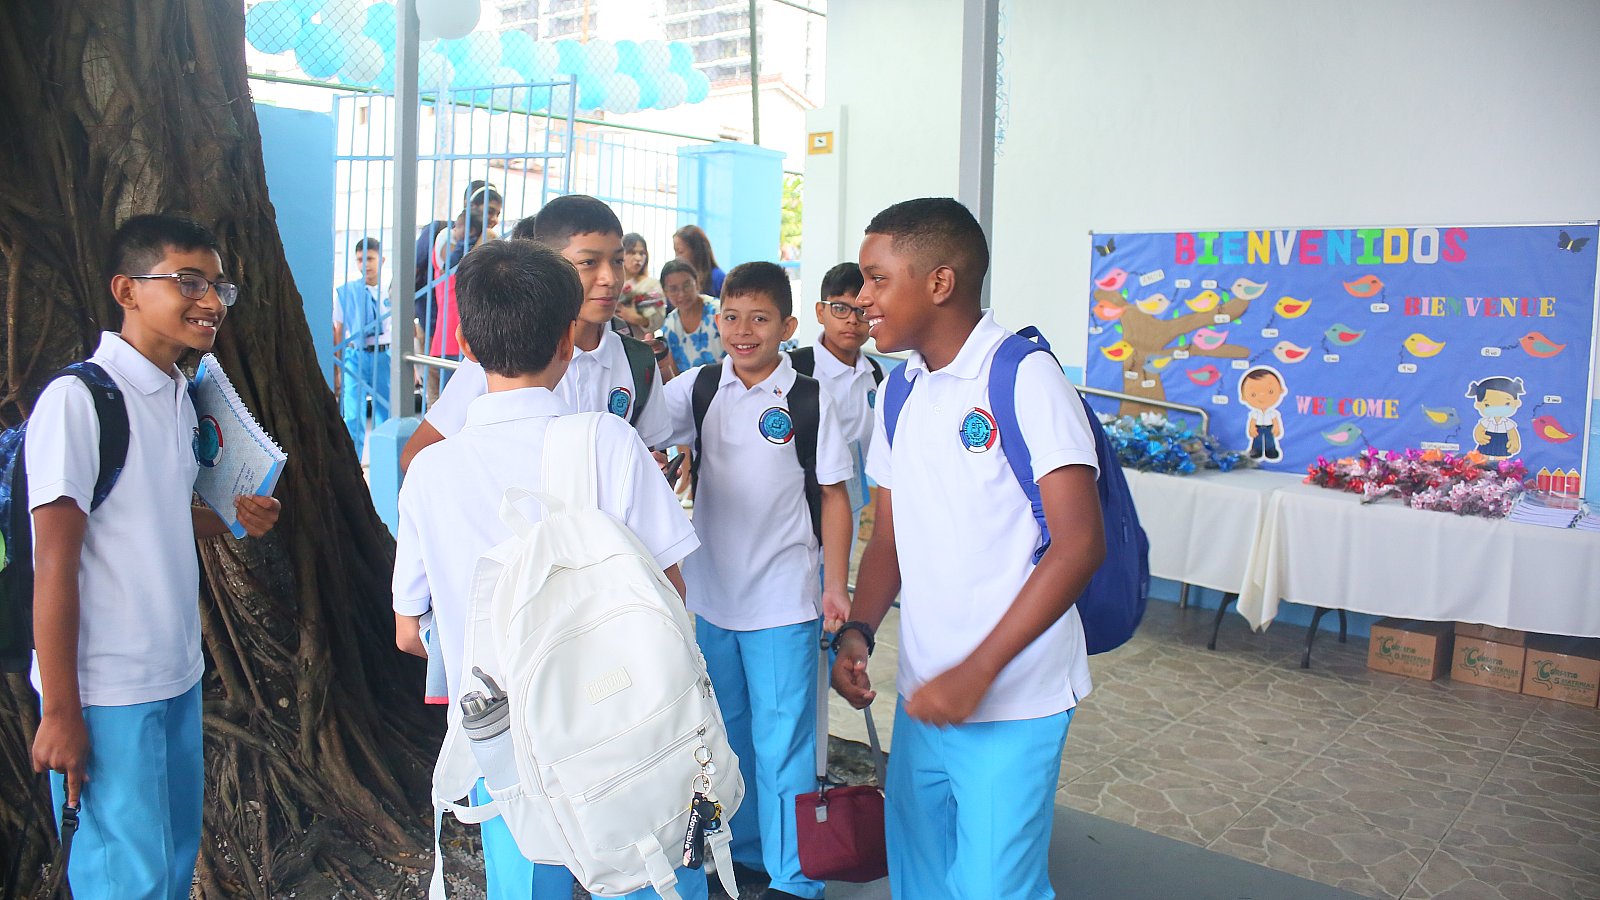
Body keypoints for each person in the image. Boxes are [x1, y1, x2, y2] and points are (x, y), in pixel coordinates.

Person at [393, 239, 703, 900]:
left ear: (465, 347)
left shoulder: (429, 472)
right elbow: (672, 590)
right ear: (568, 340)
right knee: (648, 864)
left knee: (528, 877)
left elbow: (409, 632)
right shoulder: (609, 441)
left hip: (501, 728)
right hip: (620, 709)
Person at [831, 198, 1105, 900]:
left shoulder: (1022, 376)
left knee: (991, 888)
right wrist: (860, 629)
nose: (862, 299)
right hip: (928, 693)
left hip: (1012, 696)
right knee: (920, 879)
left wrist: (978, 671)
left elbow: (1079, 545)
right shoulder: (900, 390)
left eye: (877, 279)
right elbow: (890, 535)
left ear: (940, 283)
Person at [28, 214, 282, 899]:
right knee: (124, 879)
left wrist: (231, 519)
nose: (210, 301)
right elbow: (54, 563)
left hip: (174, 674)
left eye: (219, 286)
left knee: (168, 866)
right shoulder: (78, 402)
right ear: (127, 290)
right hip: (105, 689)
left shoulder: (177, 393)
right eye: (188, 282)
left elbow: (150, 513)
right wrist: (61, 710)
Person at [657, 262, 854, 900]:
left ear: (788, 327)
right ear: (717, 321)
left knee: (784, 744)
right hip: (713, 598)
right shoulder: (699, 387)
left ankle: (795, 877)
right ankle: (743, 854)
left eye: (760, 319)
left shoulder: (808, 398)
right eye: (732, 317)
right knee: (728, 738)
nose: (744, 331)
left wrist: (835, 585)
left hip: (783, 600)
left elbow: (835, 497)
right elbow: (637, 429)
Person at [401, 195, 671, 470]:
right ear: (548, 268)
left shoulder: (637, 361)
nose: (610, 279)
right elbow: (416, 458)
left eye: (617, 261)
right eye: (589, 262)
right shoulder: (506, 355)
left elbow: (648, 452)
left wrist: (653, 470)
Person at [790, 261, 881, 543]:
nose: (852, 320)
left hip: (849, 500)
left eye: (862, 311)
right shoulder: (795, 369)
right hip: (795, 504)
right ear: (820, 311)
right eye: (840, 308)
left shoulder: (875, 374)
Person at [333, 236, 391, 449]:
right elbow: (339, 330)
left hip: (384, 356)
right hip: (354, 356)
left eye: (370, 259)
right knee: (352, 415)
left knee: (386, 414)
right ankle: (353, 464)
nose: (365, 265)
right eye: (360, 260)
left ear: (381, 260)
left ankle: (383, 461)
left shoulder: (390, 292)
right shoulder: (346, 293)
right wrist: (338, 369)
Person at [659, 260, 723, 373]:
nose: (682, 294)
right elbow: (675, 374)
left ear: (697, 282)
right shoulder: (669, 325)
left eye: (687, 285)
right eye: (673, 289)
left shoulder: (719, 312)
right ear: (665, 292)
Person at [619, 232, 666, 338]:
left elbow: (658, 319)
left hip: (640, 341)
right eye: (632, 252)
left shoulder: (651, 284)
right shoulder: (614, 282)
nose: (638, 258)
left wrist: (636, 318)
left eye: (641, 253)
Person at [1239, 365, 1287, 462]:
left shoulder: (1272, 412)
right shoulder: (1255, 413)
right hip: (1258, 427)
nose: (1262, 396)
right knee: (1257, 440)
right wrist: (1252, 428)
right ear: (1243, 396)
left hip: (1269, 427)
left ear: (1281, 391)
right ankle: (1256, 451)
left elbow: (1275, 420)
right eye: (1253, 394)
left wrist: (1276, 427)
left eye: (1270, 391)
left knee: (1270, 440)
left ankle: (1271, 451)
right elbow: (1252, 421)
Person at [673, 224, 725, 297]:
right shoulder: (678, 278)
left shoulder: (718, 278)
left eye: (680, 251)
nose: (676, 257)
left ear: (696, 251)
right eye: (675, 251)